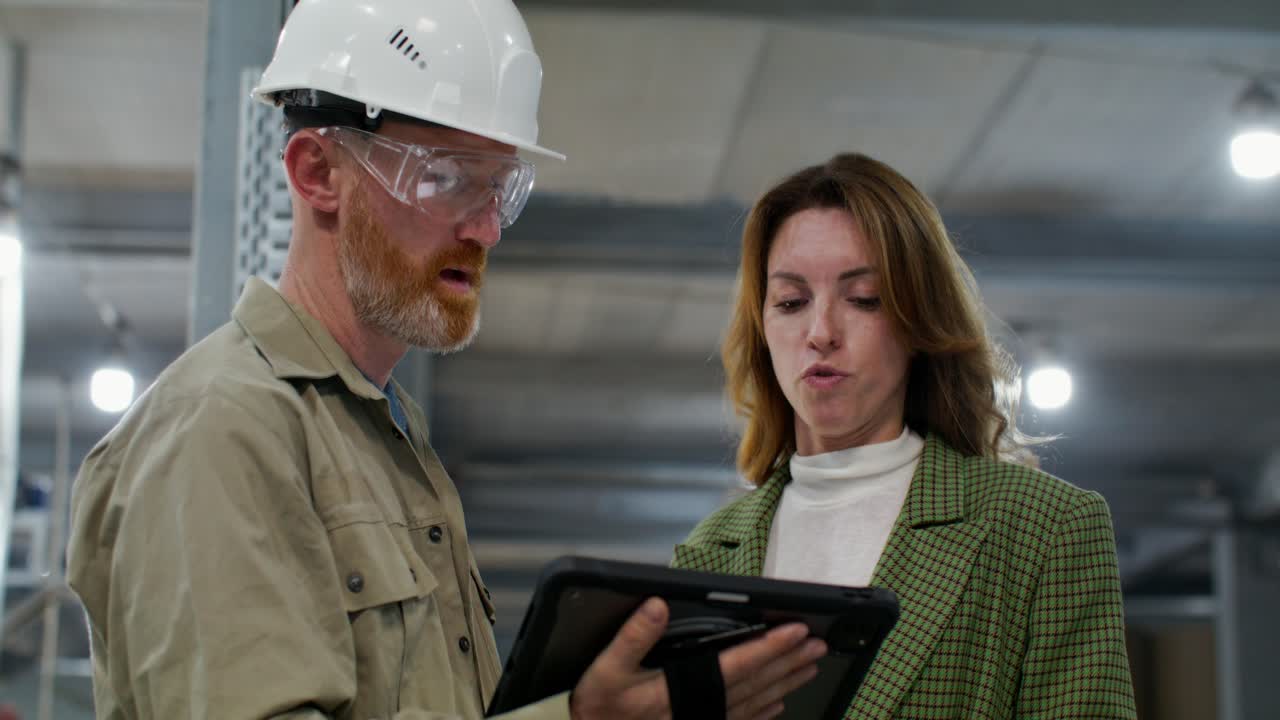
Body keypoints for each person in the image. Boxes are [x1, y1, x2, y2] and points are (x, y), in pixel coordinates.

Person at [64, 1, 825, 718]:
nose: (486, 229)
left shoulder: (384, 440)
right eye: (445, 177)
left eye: (501, 188)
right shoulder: (222, 429)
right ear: (317, 173)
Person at [673, 153, 1137, 718]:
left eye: (864, 298)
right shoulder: (707, 552)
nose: (820, 332)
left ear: (919, 322)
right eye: (791, 302)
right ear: (763, 328)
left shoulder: (1044, 529)